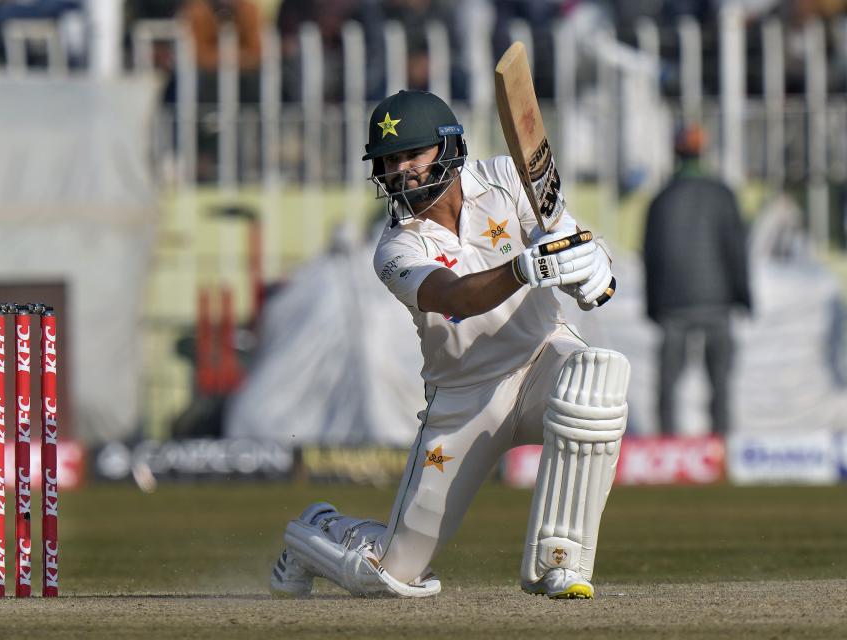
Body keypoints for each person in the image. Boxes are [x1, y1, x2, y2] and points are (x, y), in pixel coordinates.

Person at [269, 90, 629, 600]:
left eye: (412, 154)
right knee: (390, 574)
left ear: (449, 147)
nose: (402, 172)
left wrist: (589, 261)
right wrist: (526, 267)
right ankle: (315, 531)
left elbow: (560, 232)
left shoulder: (506, 176)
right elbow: (454, 297)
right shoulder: (396, 246)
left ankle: (561, 561)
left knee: (597, 377)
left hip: (541, 357)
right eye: (390, 161)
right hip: (464, 400)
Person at [643, 124, 751, 436]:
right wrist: (743, 295)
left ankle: (667, 445)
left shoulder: (661, 200)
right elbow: (735, 249)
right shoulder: (722, 195)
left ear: (676, 152)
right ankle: (721, 448)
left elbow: (651, 257)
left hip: (673, 304)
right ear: (702, 152)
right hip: (717, 302)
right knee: (720, 382)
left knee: (667, 384)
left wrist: (653, 306)